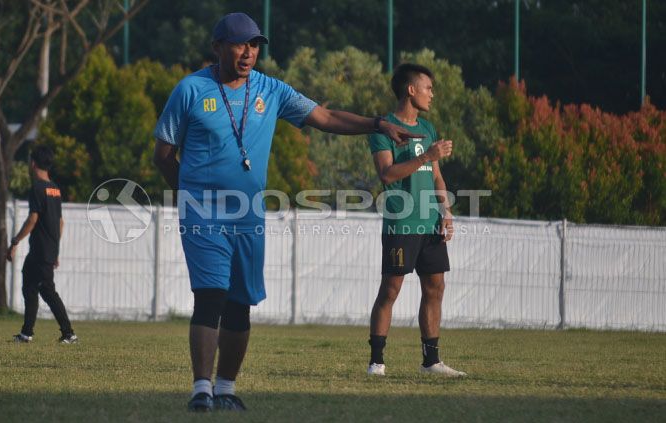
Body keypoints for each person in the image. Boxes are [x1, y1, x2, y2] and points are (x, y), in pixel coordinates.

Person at [153, 12, 417, 412]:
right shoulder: (190, 90)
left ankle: (226, 387)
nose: (248, 53)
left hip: (248, 216)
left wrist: (377, 124)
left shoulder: (270, 90)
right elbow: (164, 154)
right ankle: (201, 389)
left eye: (255, 45)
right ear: (218, 47)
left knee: (240, 302)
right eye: (240, 44)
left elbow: (325, 117)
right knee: (210, 296)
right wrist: (190, 195)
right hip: (202, 215)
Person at [366, 63, 465, 378]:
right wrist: (425, 156)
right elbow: (387, 174)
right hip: (402, 223)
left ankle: (431, 362)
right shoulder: (385, 128)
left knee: (436, 287)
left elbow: (437, 176)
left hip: (430, 224)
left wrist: (445, 211)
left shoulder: (429, 127)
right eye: (428, 88)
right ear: (411, 90)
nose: (432, 94)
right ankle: (377, 362)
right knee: (391, 289)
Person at [7, 145, 77, 345]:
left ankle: (69, 333)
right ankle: (26, 333)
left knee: (47, 290)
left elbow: (33, 219)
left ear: (33, 163)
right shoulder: (55, 188)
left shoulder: (37, 188)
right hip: (45, 249)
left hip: (40, 249)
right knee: (29, 285)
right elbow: (60, 222)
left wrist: (15, 241)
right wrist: (55, 250)